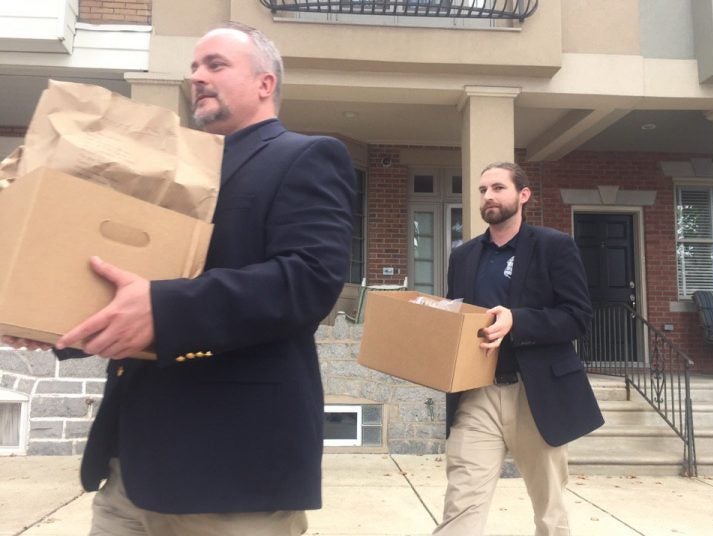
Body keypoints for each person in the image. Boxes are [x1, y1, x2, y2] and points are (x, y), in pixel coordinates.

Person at [3, 22, 354, 536]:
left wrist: (164, 311)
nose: (197, 77)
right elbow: (130, 282)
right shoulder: (173, 168)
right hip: (129, 471)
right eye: (193, 66)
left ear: (265, 83)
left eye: (215, 64)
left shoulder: (305, 156)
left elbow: (309, 279)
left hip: (233, 474)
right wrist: (53, 324)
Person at [433, 162, 604, 536]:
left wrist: (518, 320)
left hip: (537, 394)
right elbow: (457, 316)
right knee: (461, 504)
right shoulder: (462, 256)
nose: (488, 196)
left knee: (550, 512)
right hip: (478, 394)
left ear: (522, 195)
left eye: (498, 187)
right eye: (482, 190)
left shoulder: (554, 247)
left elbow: (576, 318)